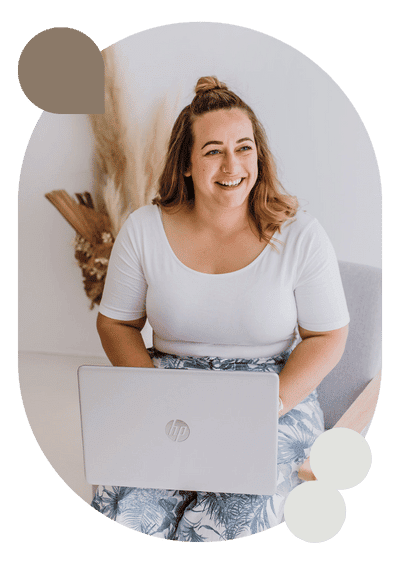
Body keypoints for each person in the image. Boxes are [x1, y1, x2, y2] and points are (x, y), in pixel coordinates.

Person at [92, 76, 350, 542]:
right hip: (167, 385)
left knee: (228, 522)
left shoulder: (301, 235)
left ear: (259, 155)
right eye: (212, 150)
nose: (232, 164)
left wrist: (267, 406)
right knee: (129, 510)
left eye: (244, 147)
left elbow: (328, 336)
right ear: (186, 164)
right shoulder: (144, 229)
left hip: (271, 391)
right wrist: (152, 399)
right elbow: (116, 323)